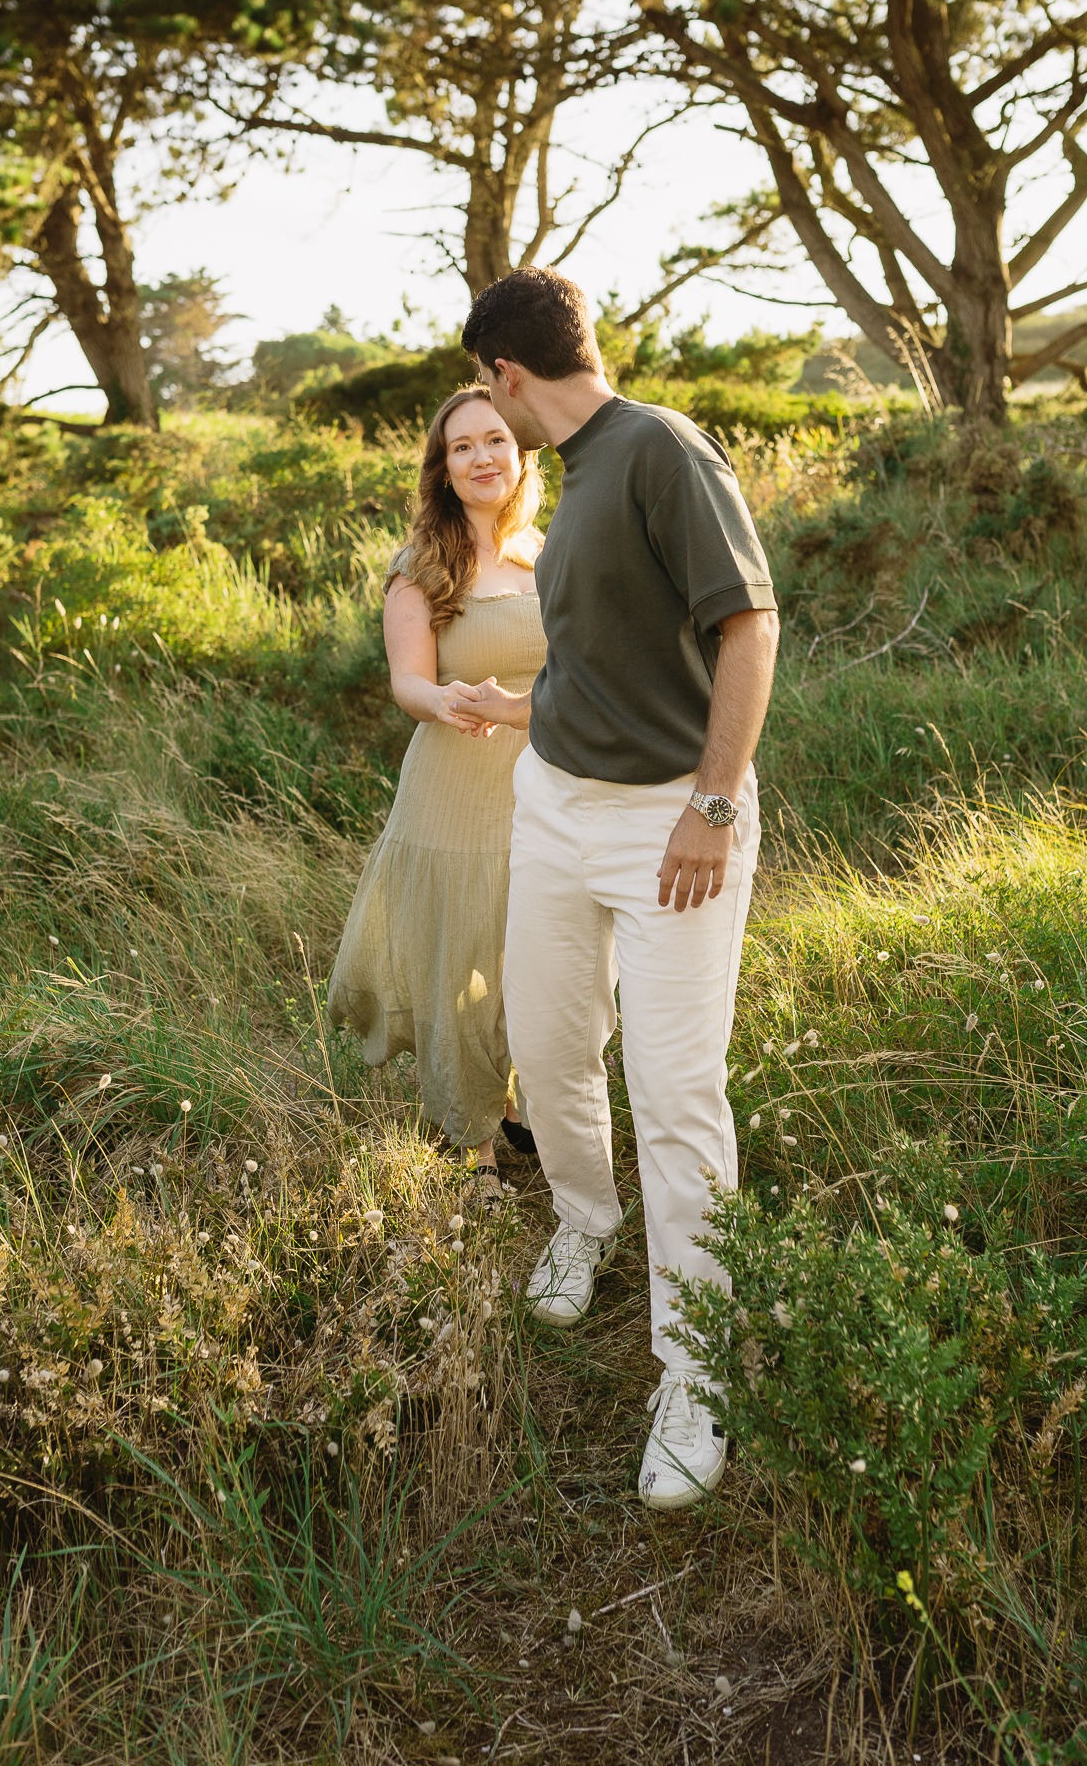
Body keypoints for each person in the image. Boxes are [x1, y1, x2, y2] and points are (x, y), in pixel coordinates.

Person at [460, 269, 779, 1510]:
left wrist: (711, 805)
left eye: (488, 390)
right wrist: (525, 705)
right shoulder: (576, 470)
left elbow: (748, 627)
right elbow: (598, 640)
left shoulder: (657, 448)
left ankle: (696, 1368)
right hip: (554, 804)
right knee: (547, 1041)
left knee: (674, 1086)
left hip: (669, 823)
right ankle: (585, 1218)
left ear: (507, 375)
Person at [327, 386, 546, 1203]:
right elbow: (407, 683)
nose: (482, 457)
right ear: (443, 469)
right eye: (462, 447)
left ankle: (516, 1100)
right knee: (461, 964)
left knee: (529, 962)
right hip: (455, 787)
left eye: (496, 440)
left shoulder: (546, 553)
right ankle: (475, 1145)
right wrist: (446, 700)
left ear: (521, 454)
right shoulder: (421, 564)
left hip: (546, 789)